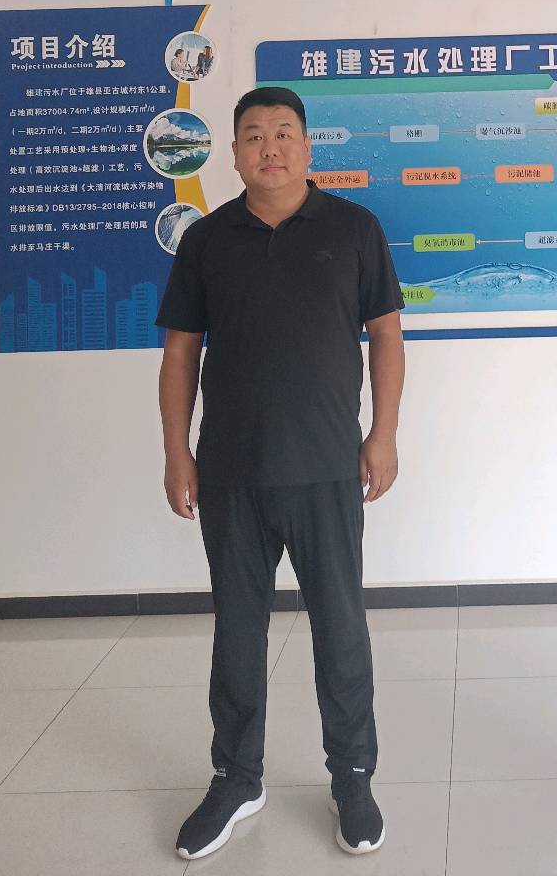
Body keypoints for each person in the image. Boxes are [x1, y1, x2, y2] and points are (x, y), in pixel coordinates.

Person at [157, 86, 405, 860]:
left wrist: (383, 434)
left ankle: (352, 776)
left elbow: (387, 337)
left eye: (284, 133)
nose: (270, 147)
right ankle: (237, 777)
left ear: (307, 147)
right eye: (255, 135)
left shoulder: (354, 229)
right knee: (237, 631)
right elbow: (180, 354)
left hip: (327, 466)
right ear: (233, 153)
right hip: (231, 471)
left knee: (340, 629)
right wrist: (176, 451)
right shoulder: (206, 241)